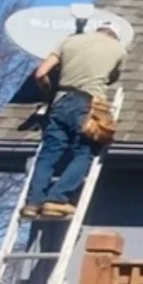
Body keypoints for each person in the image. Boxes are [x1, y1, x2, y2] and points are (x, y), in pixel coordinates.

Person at [19, 20, 126, 221]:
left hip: (60, 101)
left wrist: (49, 93)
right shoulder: (118, 50)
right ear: (114, 35)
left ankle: (33, 203)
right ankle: (57, 200)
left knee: (49, 153)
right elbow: (111, 78)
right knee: (84, 151)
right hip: (88, 103)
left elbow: (41, 73)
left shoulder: (68, 42)